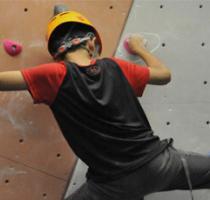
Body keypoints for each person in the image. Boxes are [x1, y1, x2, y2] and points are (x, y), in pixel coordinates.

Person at [1, 10, 210, 200]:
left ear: (57, 55)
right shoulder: (115, 66)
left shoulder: (53, 75)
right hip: (159, 164)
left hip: (112, 185)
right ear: (92, 44)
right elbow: (164, 76)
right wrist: (139, 49)